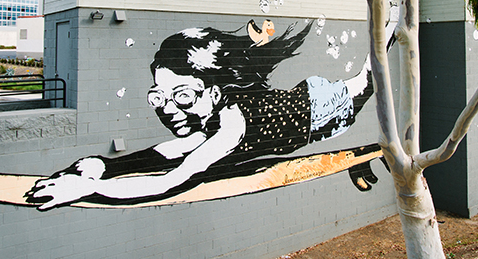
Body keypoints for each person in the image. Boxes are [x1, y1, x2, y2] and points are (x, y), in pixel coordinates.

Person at [26, 17, 394, 210]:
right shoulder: (212, 116)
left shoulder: (230, 125)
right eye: (159, 98)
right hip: (299, 100)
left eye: (183, 96)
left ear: (214, 92)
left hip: (324, 109)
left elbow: (174, 179)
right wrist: (105, 165)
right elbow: (167, 152)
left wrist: (92, 188)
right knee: (367, 76)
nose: (169, 110)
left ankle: (390, 29)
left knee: (368, 77)